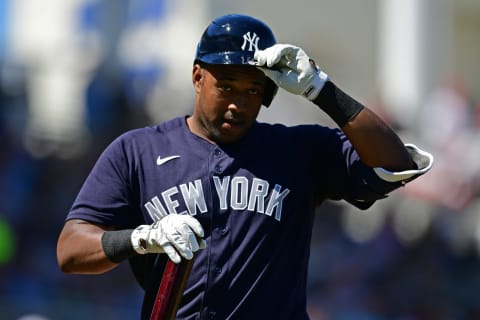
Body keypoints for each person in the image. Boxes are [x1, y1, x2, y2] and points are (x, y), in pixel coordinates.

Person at [56, 13, 433, 319]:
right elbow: (70, 250)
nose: (239, 102)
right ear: (197, 76)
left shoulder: (297, 149)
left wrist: (321, 89)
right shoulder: (136, 150)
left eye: (253, 89)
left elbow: (394, 163)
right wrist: (140, 238)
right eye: (227, 85)